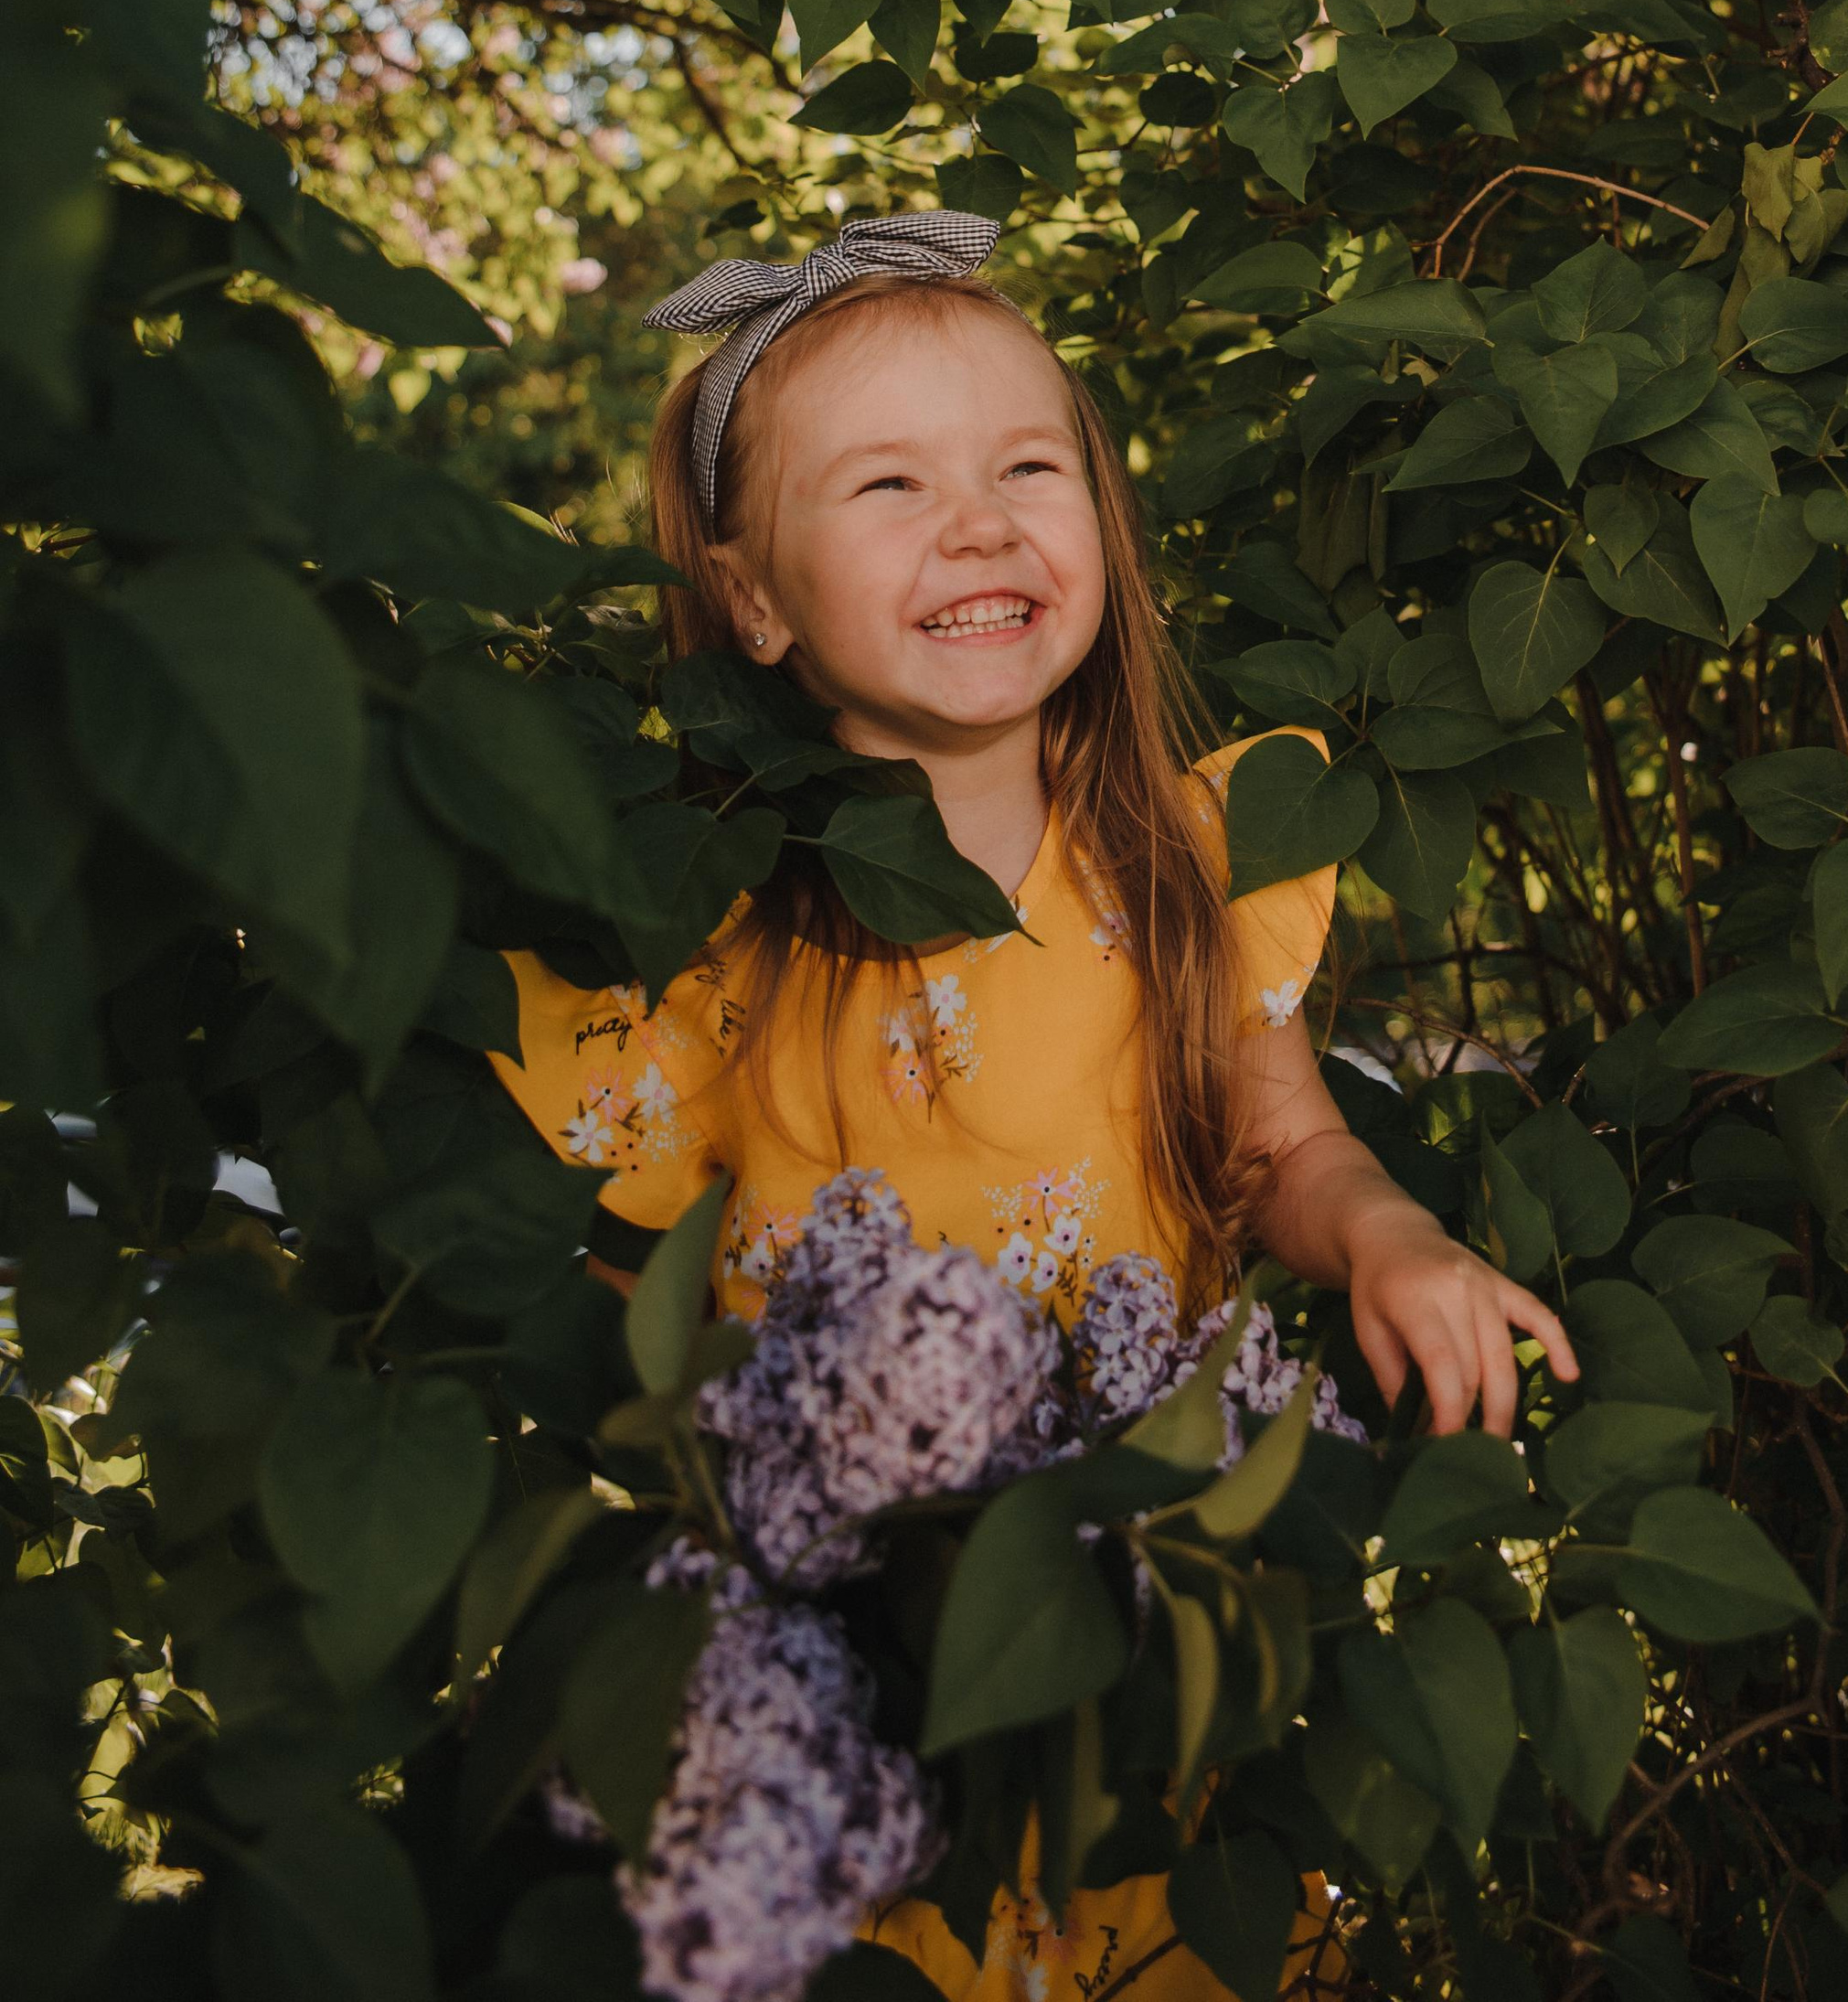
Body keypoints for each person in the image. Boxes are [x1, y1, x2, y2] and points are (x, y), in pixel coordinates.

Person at [494, 209, 1576, 1997]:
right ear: (753, 596)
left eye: (1027, 465)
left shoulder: (1183, 860)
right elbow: (630, 1322)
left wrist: (1388, 1234)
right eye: (889, 486)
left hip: (1140, 1651)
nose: (982, 523)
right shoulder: (706, 944)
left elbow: (1279, 1142)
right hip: (852, 1701)